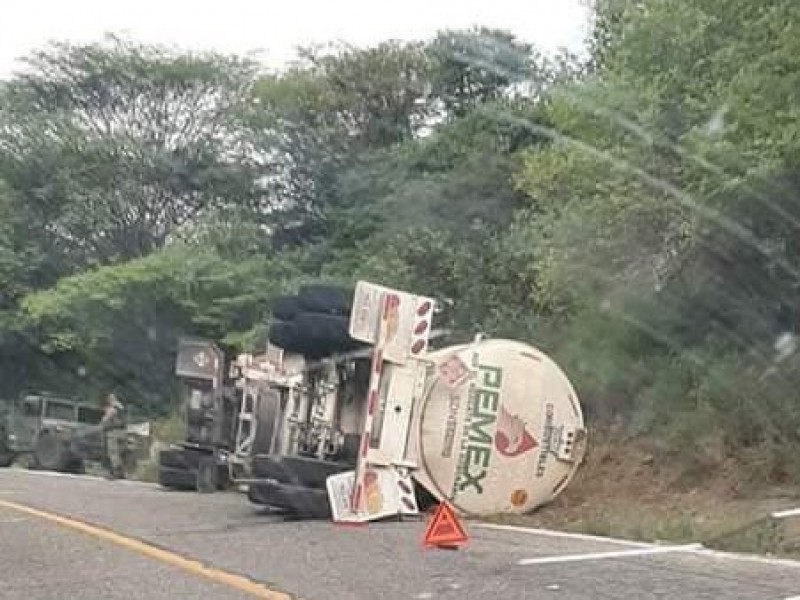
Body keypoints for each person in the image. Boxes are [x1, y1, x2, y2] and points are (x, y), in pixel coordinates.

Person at [100, 393, 127, 479]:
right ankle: (122, 473)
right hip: (122, 432)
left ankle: (116, 473)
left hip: (113, 432)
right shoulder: (121, 408)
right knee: (119, 453)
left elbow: (105, 420)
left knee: (113, 453)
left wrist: (103, 421)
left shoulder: (112, 409)